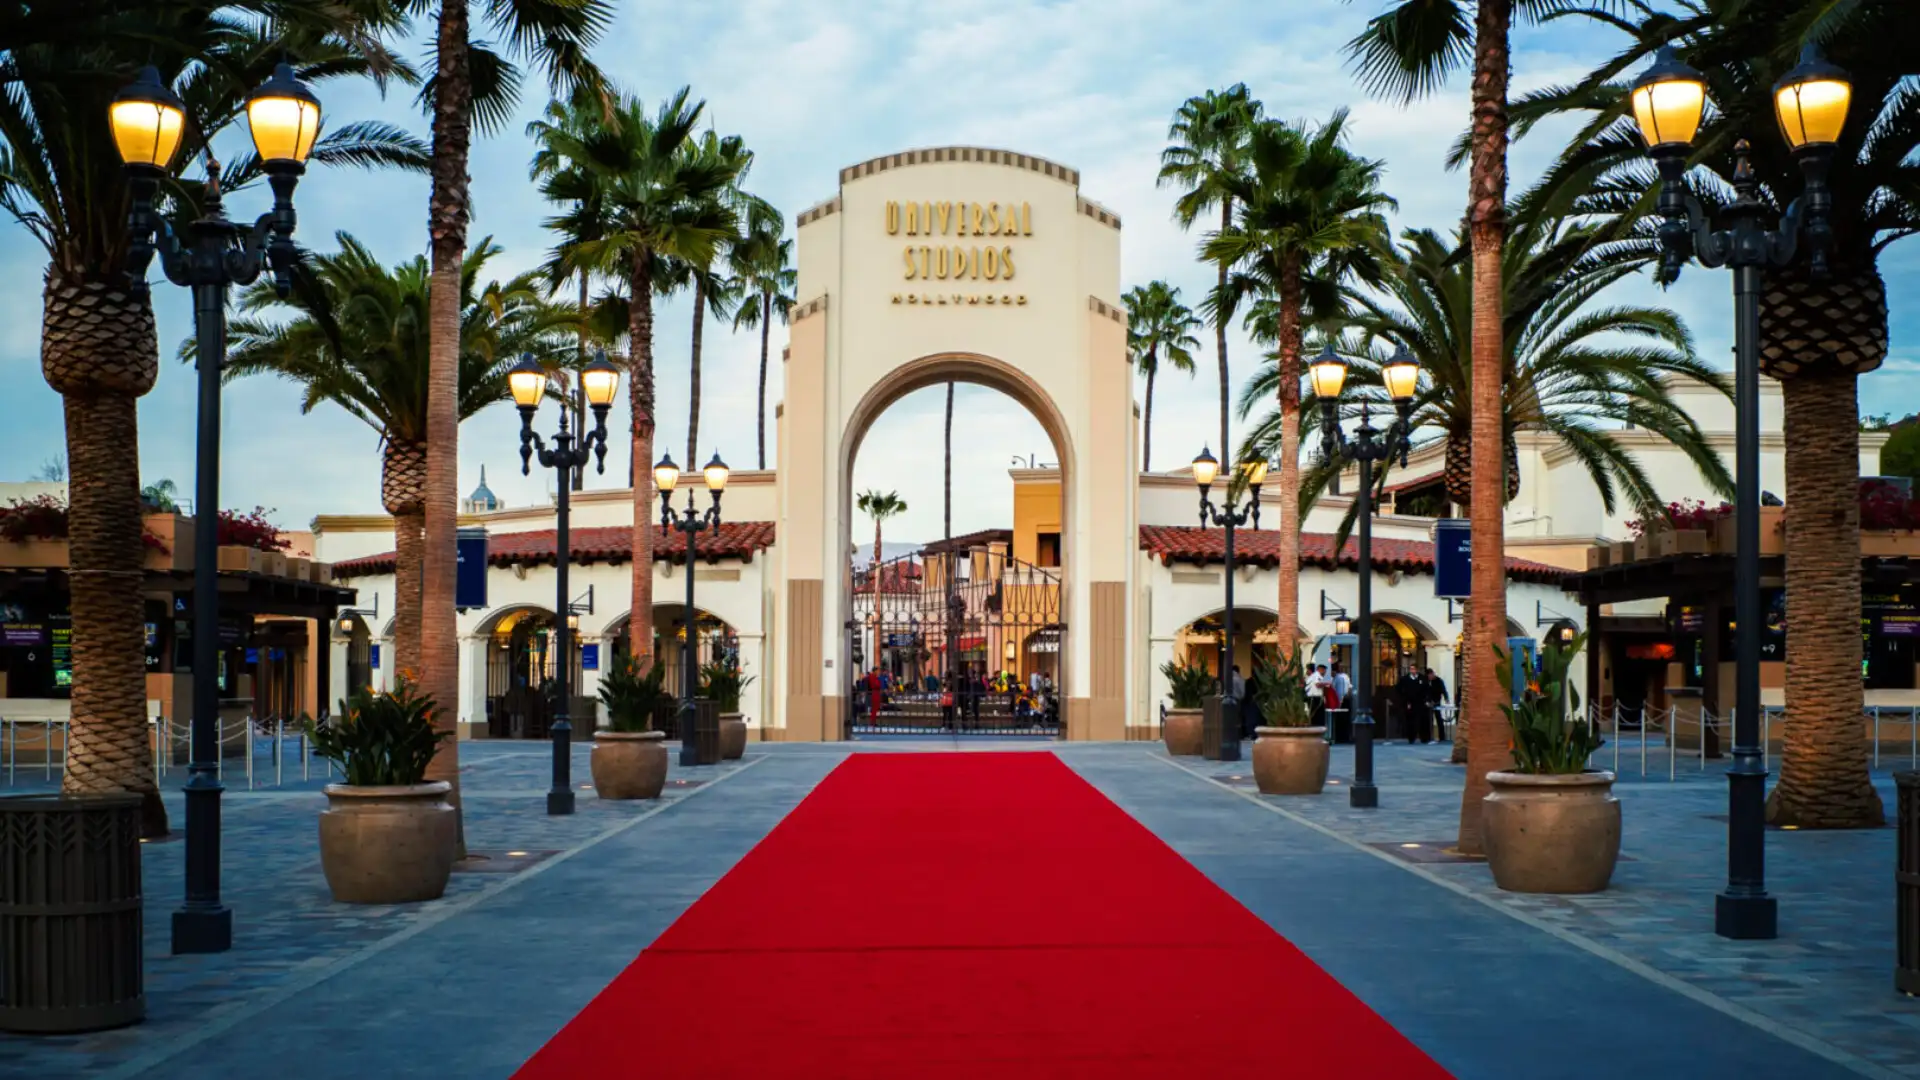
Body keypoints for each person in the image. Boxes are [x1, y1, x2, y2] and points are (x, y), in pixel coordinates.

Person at [1399, 666, 1430, 744]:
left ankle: (1424, 738)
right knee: (1410, 721)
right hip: (1410, 703)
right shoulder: (1405, 679)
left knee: (1423, 720)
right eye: (1411, 669)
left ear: (1417, 670)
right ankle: (1411, 737)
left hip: (1421, 702)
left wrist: (1427, 700)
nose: (1412, 671)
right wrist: (1405, 701)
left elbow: (1427, 689)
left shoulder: (1423, 678)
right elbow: (1400, 690)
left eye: (1414, 669)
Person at [1426, 667, 1451, 741]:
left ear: (1432, 674)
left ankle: (1442, 737)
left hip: (1436, 702)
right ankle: (1429, 736)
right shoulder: (1427, 681)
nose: (1430, 677)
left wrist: (1446, 699)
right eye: (1428, 676)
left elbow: (1443, 690)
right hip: (1428, 702)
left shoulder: (1439, 681)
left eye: (1431, 675)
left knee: (1439, 719)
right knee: (1428, 719)